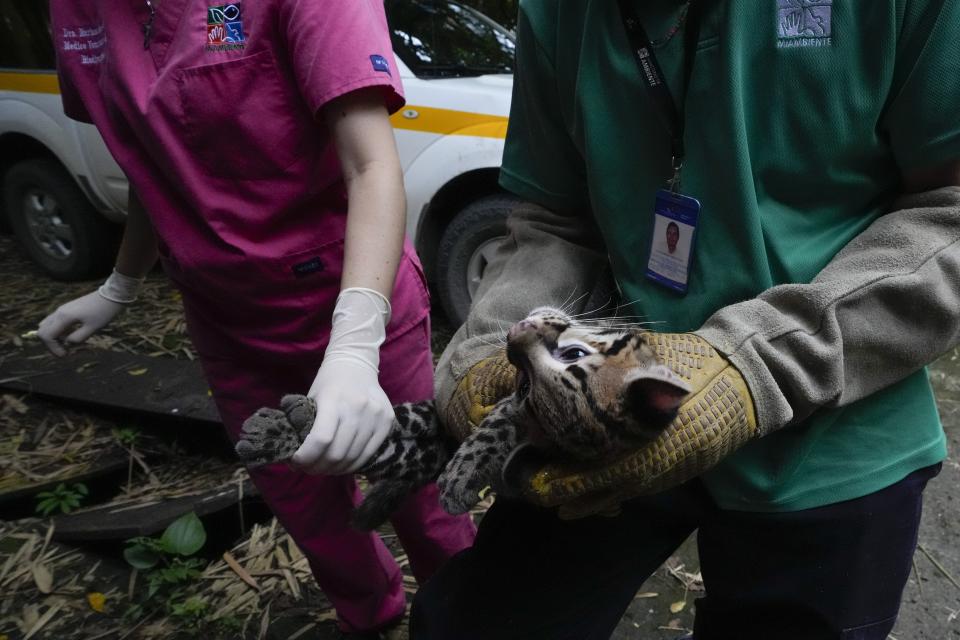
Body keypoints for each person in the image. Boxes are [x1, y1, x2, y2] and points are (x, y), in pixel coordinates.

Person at [411, 1, 960, 638]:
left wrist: (748, 369)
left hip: (838, 427)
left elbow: (949, 211)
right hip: (613, 407)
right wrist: (485, 345)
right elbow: (556, 220)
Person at [38, 1, 476, 636]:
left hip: (347, 290)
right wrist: (118, 285)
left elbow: (371, 165)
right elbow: (150, 160)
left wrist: (354, 344)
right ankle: (372, 617)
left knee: (420, 493)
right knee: (307, 509)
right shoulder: (76, 10)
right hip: (225, 319)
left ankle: (467, 615)